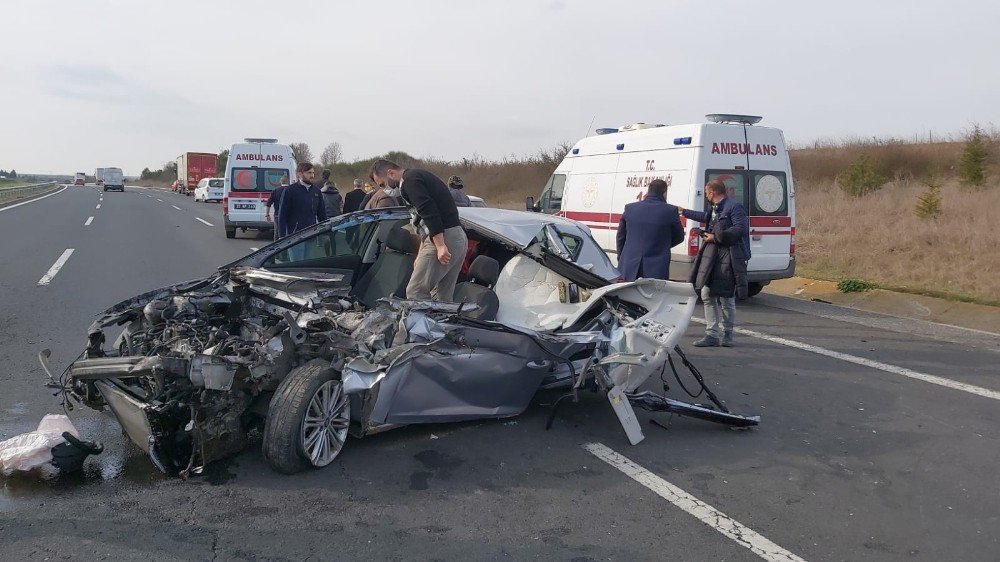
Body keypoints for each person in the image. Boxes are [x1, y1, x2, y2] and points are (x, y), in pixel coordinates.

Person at [370, 159, 467, 301]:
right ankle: (443, 323)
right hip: (456, 237)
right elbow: (423, 222)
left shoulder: (409, 182)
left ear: (390, 173)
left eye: (383, 184)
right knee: (442, 297)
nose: (385, 190)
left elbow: (429, 211)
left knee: (416, 292)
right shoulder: (416, 177)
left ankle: (421, 324)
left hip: (444, 237)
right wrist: (421, 250)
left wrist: (440, 246)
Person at [679, 180, 749, 347]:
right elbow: (705, 217)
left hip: (729, 256)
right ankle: (711, 334)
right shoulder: (714, 208)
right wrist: (684, 212)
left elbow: (740, 229)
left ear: (711, 192)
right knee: (706, 293)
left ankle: (728, 335)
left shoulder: (734, 207)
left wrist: (716, 237)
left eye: (706, 192)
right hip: (712, 255)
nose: (705, 195)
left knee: (726, 297)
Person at [615, 179, 684, 281]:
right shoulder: (670, 211)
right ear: (664, 192)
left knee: (626, 295)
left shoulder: (630, 208)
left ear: (649, 190)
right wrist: (663, 245)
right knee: (653, 296)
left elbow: (620, 236)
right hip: (657, 267)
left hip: (629, 265)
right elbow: (679, 237)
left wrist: (621, 258)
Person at [277, 163, 327, 238]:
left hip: (311, 235)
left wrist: (325, 232)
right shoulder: (290, 190)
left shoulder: (317, 191)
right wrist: (281, 236)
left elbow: (322, 214)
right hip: (294, 235)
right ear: (300, 174)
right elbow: (282, 214)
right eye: (309, 173)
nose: (312, 176)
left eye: (313, 173)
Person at [265, 175, 290, 240]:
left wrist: (267, 215)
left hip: (278, 215)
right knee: (289, 232)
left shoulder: (275, 191)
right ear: (288, 181)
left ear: (280, 182)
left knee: (277, 232)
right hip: (289, 215)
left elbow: (268, 204)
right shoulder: (292, 190)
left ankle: (276, 247)